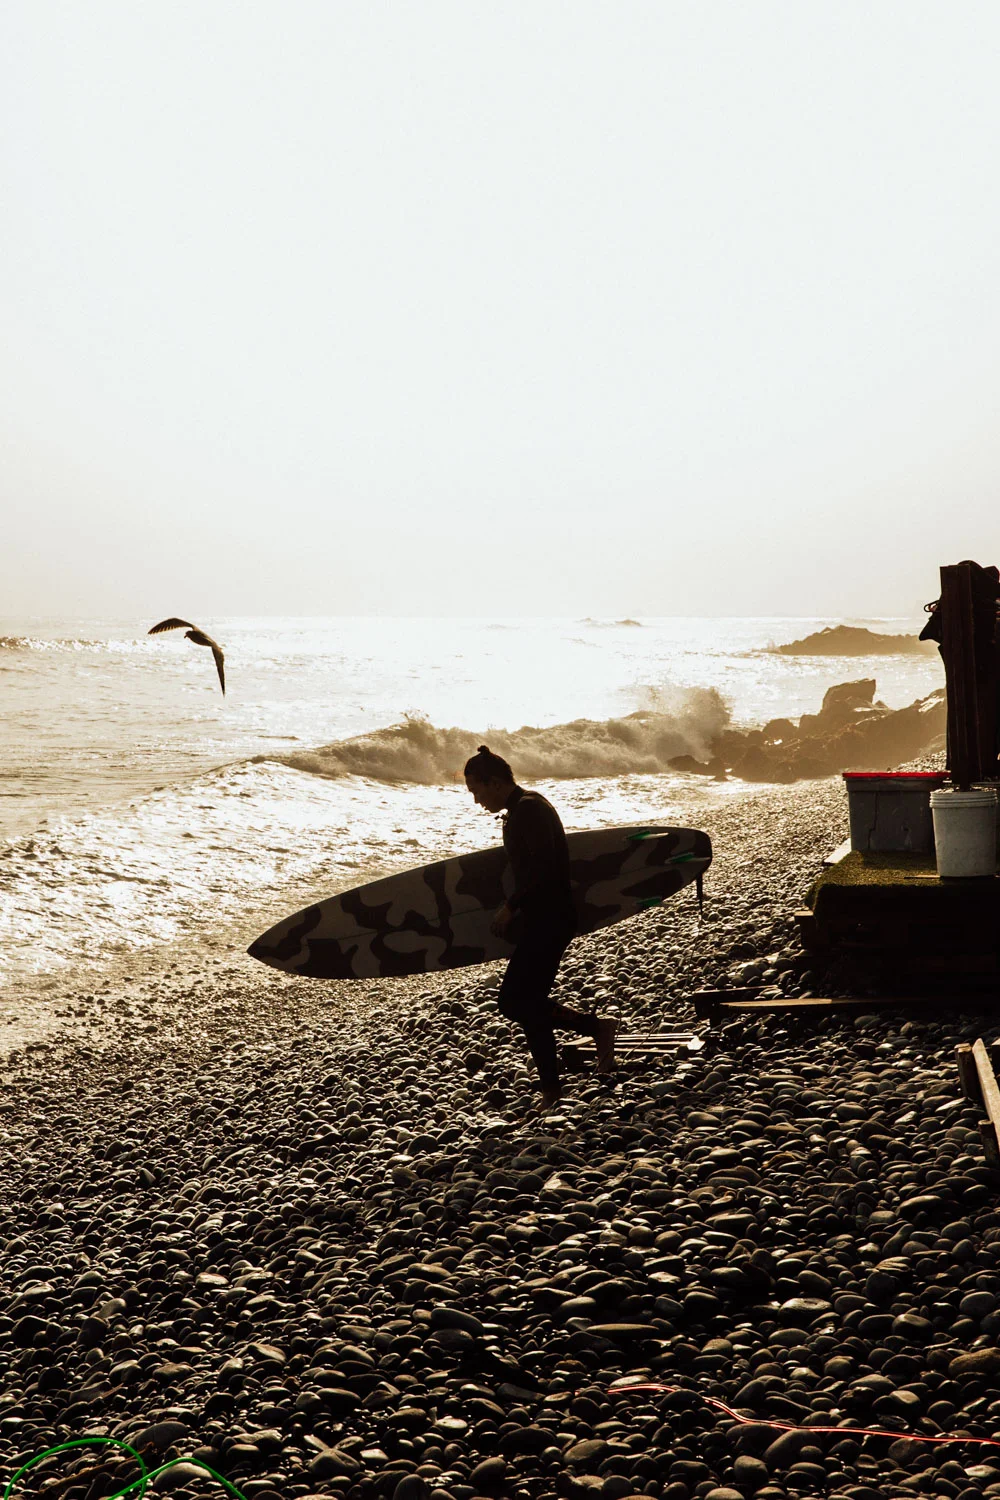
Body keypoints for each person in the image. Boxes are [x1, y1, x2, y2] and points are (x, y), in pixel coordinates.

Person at [463, 744, 618, 1110]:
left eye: (477, 790)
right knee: (525, 1002)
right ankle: (561, 1076)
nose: (476, 800)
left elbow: (545, 869)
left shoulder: (529, 810)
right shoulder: (521, 809)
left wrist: (510, 907)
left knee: (515, 1001)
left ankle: (585, 1044)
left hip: (551, 919)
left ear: (495, 783)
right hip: (542, 919)